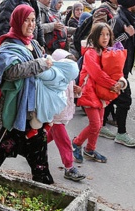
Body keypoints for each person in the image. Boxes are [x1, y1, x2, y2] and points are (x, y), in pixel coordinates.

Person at [0, 4, 55, 185]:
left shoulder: (33, 43)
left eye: (33, 20)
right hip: (12, 112)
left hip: (31, 111)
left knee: (38, 149)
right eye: (26, 20)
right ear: (17, 21)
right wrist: (41, 64)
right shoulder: (9, 45)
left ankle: (44, 185)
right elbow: (10, 72)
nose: (31, 24)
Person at [72, 23, 126, 163]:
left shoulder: (108, 52)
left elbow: (116, 72)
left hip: (101, 94)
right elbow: (97, 74)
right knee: (95, 124)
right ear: (95, 36)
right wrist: (113, 85)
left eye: (107, 34)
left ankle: (90, 149)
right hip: (88, 92)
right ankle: (77, 143)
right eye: (101, 34)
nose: (105, 37)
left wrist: (120, 83)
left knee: (99, 123)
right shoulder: (90, 53)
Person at [104, 0, 135, 147]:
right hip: (115, 68)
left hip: (122, 67)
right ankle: (121, 133)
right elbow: (107, 44)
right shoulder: (118, 19)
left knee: (110, 97)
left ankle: (100, 126)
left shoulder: (131, 18)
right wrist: (127, 35)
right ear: (130, 5)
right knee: (124, 100)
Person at [48, 49, 86, 181]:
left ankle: (30, 149)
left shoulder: (69, 77)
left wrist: (78, 91)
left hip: (64, 115)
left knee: (48, 137)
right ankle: (69, 168)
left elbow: (72, 93)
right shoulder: (53, 79)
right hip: (56, 117)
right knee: (64, 142)